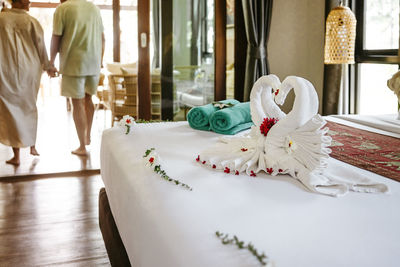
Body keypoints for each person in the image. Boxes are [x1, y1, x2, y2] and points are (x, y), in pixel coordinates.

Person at [0, 0, 54, 165]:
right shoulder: (32, 22)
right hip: (29, 70)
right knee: (29, 106)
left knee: (10, 111)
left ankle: (16, 155)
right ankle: (32, 146)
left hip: (5, 69)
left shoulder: (1, 19)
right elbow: (41, 47)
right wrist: (48, 65)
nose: (29, 2)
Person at [49, 0, 105, 156]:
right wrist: (99, 61)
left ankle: (82, 145)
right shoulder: (94, 8)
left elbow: (56, 37)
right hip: (93, 62)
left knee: (77, 103)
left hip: (73, 63)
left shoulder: (63, 9)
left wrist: (51, 61)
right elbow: (103, 38)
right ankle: (87, 137)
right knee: (88, 99)